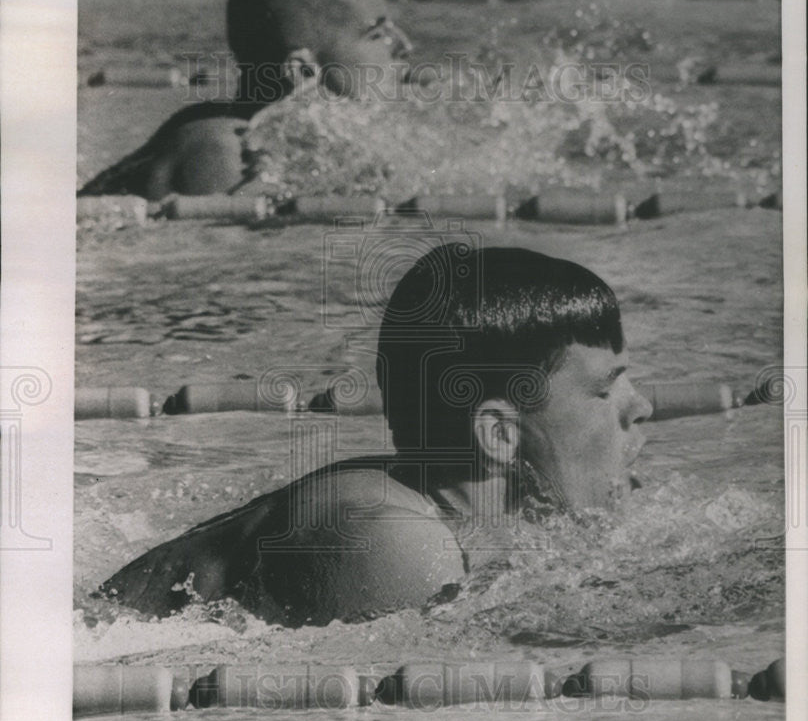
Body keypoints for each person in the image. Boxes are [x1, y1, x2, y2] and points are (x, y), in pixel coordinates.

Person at [100, 243, 652, 626]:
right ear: (499, 435)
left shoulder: (470, 521)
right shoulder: (389, 536)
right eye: (606, 390)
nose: (641, 407)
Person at [78, 0, 412, 200]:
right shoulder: (218, 154)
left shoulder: (289, 141)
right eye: (378, 35)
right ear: (303, 71)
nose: (405, 47)